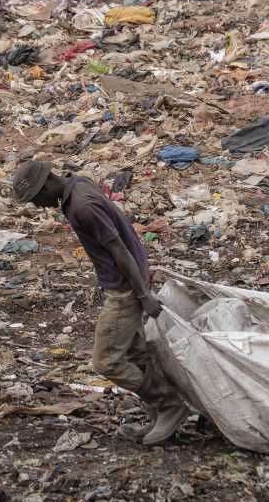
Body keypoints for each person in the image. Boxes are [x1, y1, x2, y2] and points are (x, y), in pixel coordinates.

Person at [10, 160, 187, 444]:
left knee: (107, 362)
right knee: (136, 353)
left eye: (35, 200)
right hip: (128, 280)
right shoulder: (77, 184)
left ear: (45, 186)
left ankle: (169, 405)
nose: (38, 207)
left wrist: (143, 295)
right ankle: (159, 414)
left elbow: (118, 248)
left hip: (125, 289)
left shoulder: (83, 206)